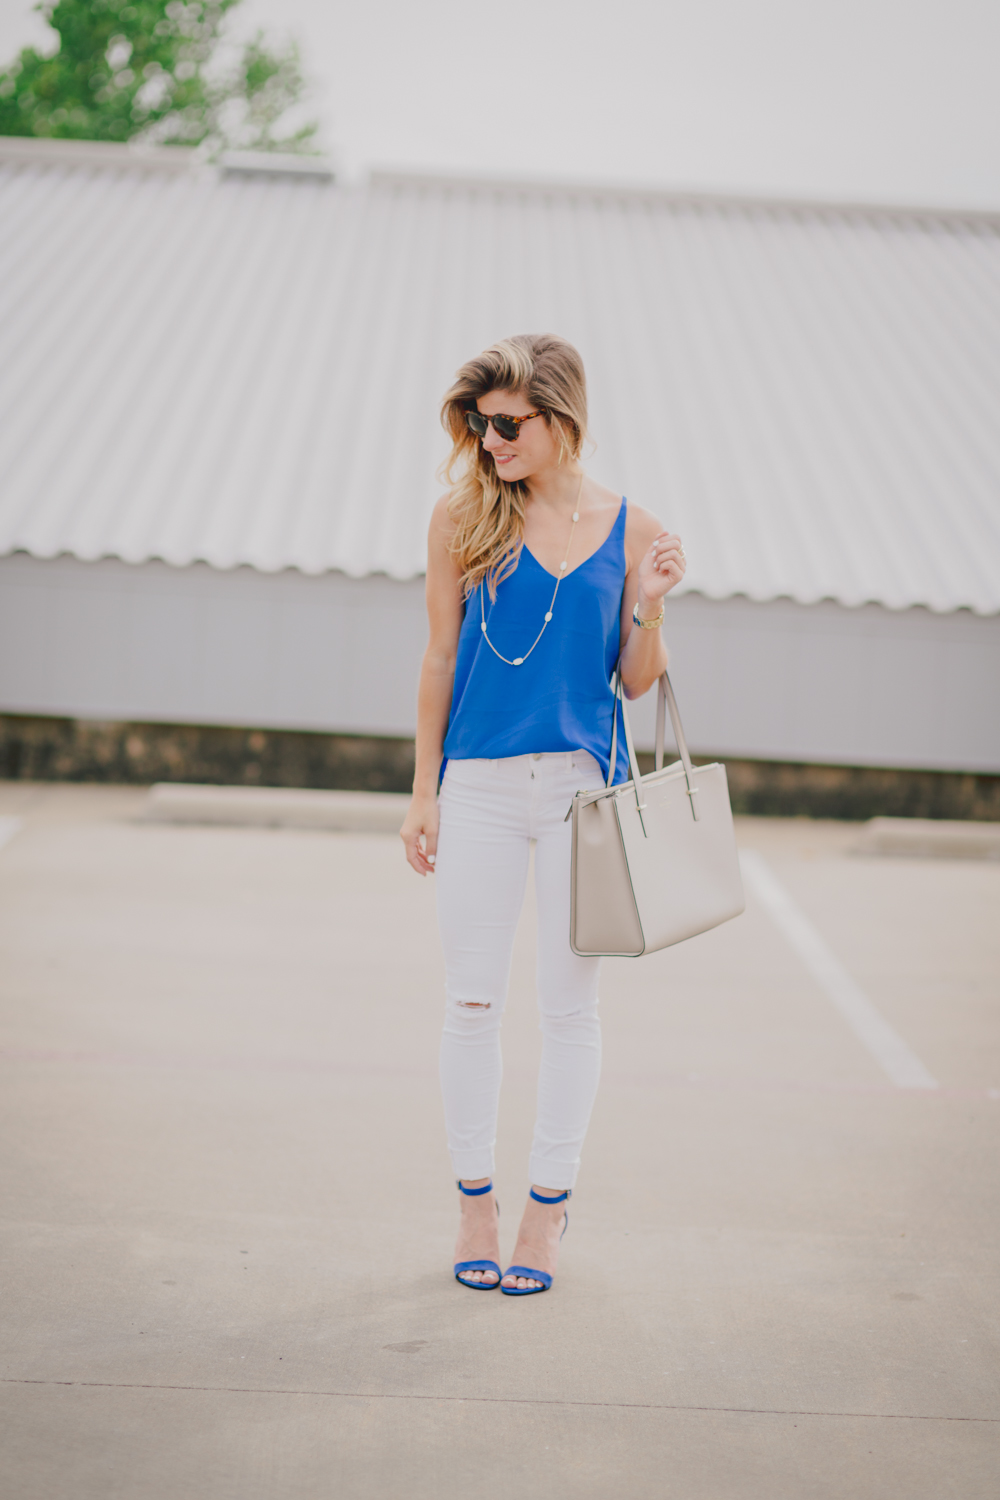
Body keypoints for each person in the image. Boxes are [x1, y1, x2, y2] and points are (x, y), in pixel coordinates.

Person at [400, 333, 686, 1295]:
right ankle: (476, 1205)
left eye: (509, 423)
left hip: (582, 793)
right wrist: (423, 789)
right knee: (472, 1003)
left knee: (569, 1013)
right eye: (480, 425)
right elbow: (439, 660)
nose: (490, 441)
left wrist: (646, 602)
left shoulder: (635, 528)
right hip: (476, 786)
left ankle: (546, 1215)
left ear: (563, 421)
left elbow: (637, 683)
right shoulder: (460, 518)